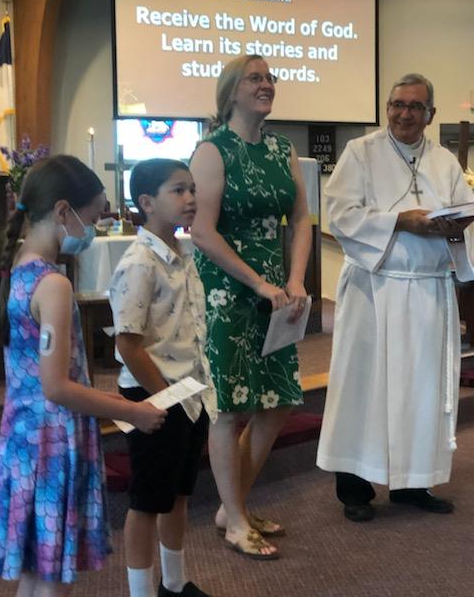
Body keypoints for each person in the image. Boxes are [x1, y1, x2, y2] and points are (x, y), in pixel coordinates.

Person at [0, 155, 166, 597]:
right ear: (62, 211)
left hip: (23, 436)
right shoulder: (53, 284)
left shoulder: (19, 268)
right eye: (91, 218)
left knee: (38, 573)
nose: (91, 230)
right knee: (53, 581)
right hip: (51, 442)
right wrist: (132, 411)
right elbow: (56, 386)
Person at [316, 73, 474, 522]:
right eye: (397, 105)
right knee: (363, 386)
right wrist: (401, 221)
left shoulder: (444, 162)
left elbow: (465, 215)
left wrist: (453, 229)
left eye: (414, 107)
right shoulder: (360, 153)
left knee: (420, 389)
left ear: (431, 114)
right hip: (375, 288)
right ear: (387, 108)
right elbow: (341, 214)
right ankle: (354, 490)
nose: (404, 114)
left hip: (427, 292)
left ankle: (412, 482)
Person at [189, 54, 312, 559]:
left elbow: (301, 219)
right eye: (254, 79)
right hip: (227, 291)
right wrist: (258, 282)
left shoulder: (282, 148)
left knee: (278, 399)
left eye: (269, 78)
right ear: (231, 92)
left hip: (276, 292)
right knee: (231, 406)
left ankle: (231, 505)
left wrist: (296, 278)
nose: (266, 85)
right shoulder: (212, 150)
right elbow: (201, 231)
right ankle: (235, 518)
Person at [109, 158, 217, 597]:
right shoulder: (140, 262)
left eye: (192, 189)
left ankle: (174, 583)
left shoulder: (182, 254)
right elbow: (128, 343)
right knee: (147, 502)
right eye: (178, 190)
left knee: (178, 494)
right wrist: (164, 397)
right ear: (147, 202)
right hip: (153, 395)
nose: (190, 198)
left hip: (189, 392)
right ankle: (141, 593)